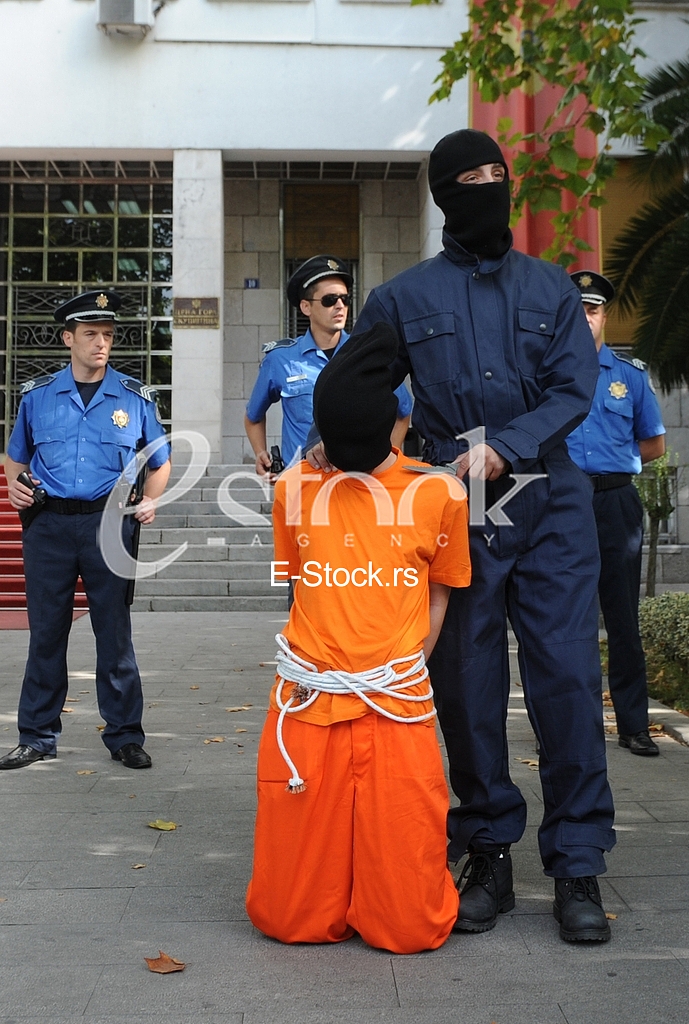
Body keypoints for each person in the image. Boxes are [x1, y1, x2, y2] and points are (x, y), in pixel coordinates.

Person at [308, 130, 616, 943]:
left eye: (497, 175)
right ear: (445, 192)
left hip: (547, 502)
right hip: (452, 511)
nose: (488, 187)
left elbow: (572, 386)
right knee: (466, 685)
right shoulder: (404, 298)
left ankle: (577, 862)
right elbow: (357, 380)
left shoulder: (550, 290)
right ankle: (487, 853)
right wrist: (331, 436)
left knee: (568, 683)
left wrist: (506, 446)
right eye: (471, 178)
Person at [245, 322, 471, 954]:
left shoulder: (437, 492)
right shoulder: (294, 488)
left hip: (393, 702)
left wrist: (403, 664)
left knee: (409, 927)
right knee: (291, 919)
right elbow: (300, 581)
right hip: (308, 703)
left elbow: (442, 588)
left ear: (394, 428)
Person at [1, 290, 171, 771]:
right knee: (47, 633)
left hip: (108, 525)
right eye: (91, 334)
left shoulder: (134, 398)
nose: (101, 344)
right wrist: (16, 487)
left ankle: (124, 736)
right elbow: (16, 456)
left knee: (114, 633)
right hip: (49, 526)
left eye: (108, 335)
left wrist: (152, 497)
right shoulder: (38, 396)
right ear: (68, 338)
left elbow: (159, 460)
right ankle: (36, 736)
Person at [566, 270, 666, 757]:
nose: (586, 317)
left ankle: (633, 724)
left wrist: (613, 466)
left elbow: (653, 443)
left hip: (615, 502)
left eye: (594, 309)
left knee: (622, 618)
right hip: (562, 505)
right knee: (567, 617)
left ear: (604, 316)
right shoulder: (548, 375)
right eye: (578, 308)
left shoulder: (630, 377)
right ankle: (571, 725)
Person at [244, 254, 412, 475]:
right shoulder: (280, 359)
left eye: (345, 299)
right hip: (303, 484)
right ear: (306, 307)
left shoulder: (365, 355)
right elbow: (253, 416)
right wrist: (261, 454)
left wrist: (385, 463)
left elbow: (404, 412)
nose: (340, 306)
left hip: (355, 484)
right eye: (329, 300)